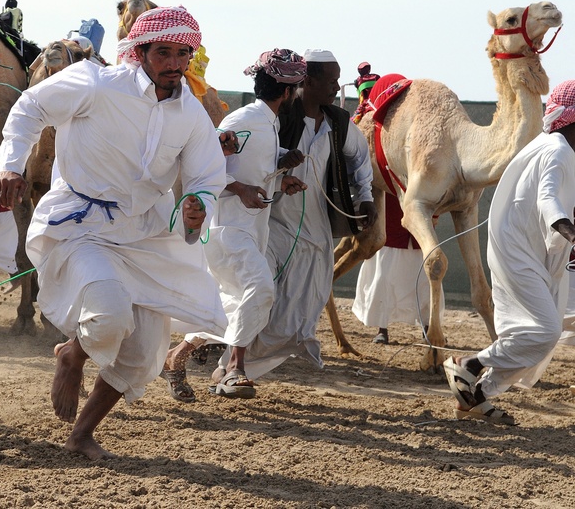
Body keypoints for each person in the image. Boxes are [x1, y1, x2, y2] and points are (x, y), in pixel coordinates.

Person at [0, 6, 227, 460]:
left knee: (141, 353)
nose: (175, 64)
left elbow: (205, 177)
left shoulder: (192, 114)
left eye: (183, 54)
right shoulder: (96, 83)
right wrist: (9, 165)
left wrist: (197, 203)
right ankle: (72, 356)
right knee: (109, 315)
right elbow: (30, 107)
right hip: (82, 225)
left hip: (146, 236)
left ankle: (81, 434)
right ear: (139, 53)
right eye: (165, 53)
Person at [161, 49, 308, 401]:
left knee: (231, 302)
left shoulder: (267, 123)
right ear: (288, 92)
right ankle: (233, 369)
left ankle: (175, 357)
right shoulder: (245, 120)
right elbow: (200, 165)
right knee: (260, 290)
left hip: (250, 230)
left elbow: (246, 163)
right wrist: (240, 188)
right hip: (227, 229)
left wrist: (280, 174)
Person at [239, 49, 377, 381]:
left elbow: (359, 159)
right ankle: (230, 360)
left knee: (302, 308)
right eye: (330, 81)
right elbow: (247, 156)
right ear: (308, 81)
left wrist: (366, 197)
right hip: (269, 226)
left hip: (315, 230)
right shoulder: (276, 117)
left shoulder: (339, 123)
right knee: (258, 294)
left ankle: (241, 361)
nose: (335, 87)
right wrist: (280, 164)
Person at [443, 80, 575, 425]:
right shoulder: (558, 150)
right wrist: (568, 229)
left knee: (538, 331)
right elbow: (548, 199)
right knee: (545, 332)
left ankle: (477, 397)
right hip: (518, 252)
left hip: (526, 250)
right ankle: (469, 365)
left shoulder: (554, 146)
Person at [352, 193, 440, 344]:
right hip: (390, 219)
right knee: (383, 278)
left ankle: (428, 327)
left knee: (425, 281)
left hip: (421, 216)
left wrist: (436, 213)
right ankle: (382, 328)